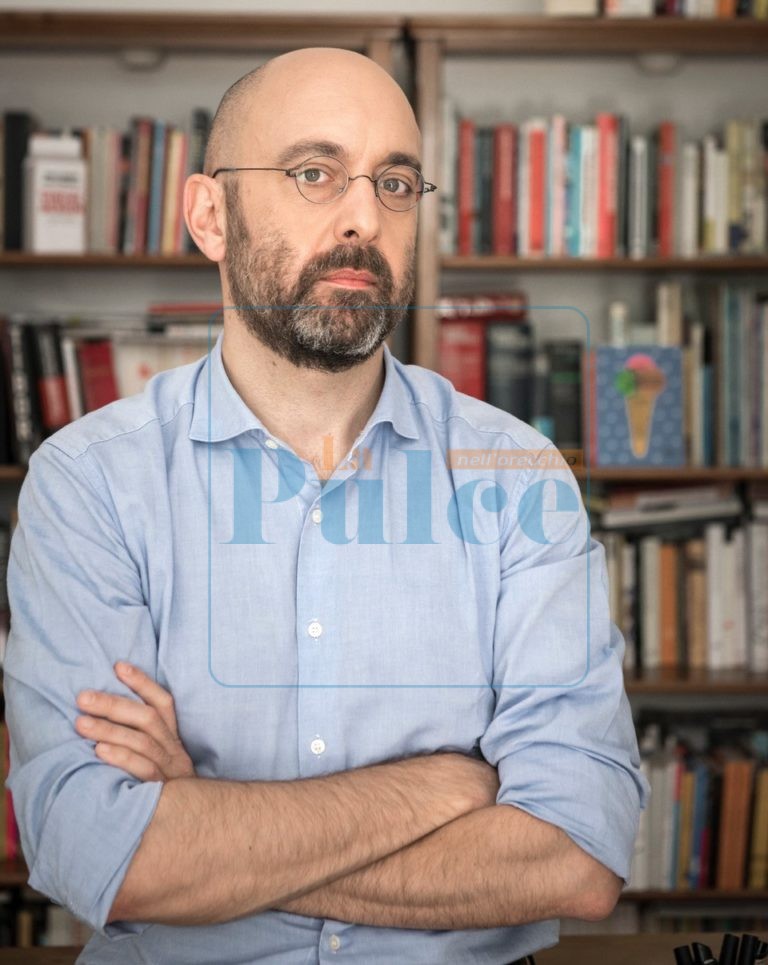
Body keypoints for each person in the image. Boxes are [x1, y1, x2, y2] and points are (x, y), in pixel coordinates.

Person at [3, 47, 649, 964]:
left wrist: (208, 826)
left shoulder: (517, 477)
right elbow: (99, 853)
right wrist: (443, 787)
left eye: (396, 183)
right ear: (210, 215)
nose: (364, 217)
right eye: (315, 172)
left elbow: (576, 856)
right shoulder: (89, 484)